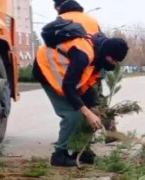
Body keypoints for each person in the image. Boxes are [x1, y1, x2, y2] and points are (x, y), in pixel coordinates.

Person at [34, 33, 129, 167]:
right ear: (107, 54)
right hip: (47, 69)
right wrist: (87, 112)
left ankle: (81, 150)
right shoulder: (83, 55)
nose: (114, 64)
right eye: (113, 60)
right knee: (72, 114)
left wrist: (92, 109)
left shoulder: (99, 55)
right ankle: (59, 155)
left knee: (90, 107)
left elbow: (88, 83)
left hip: (68, 74)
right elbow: (68, 87)